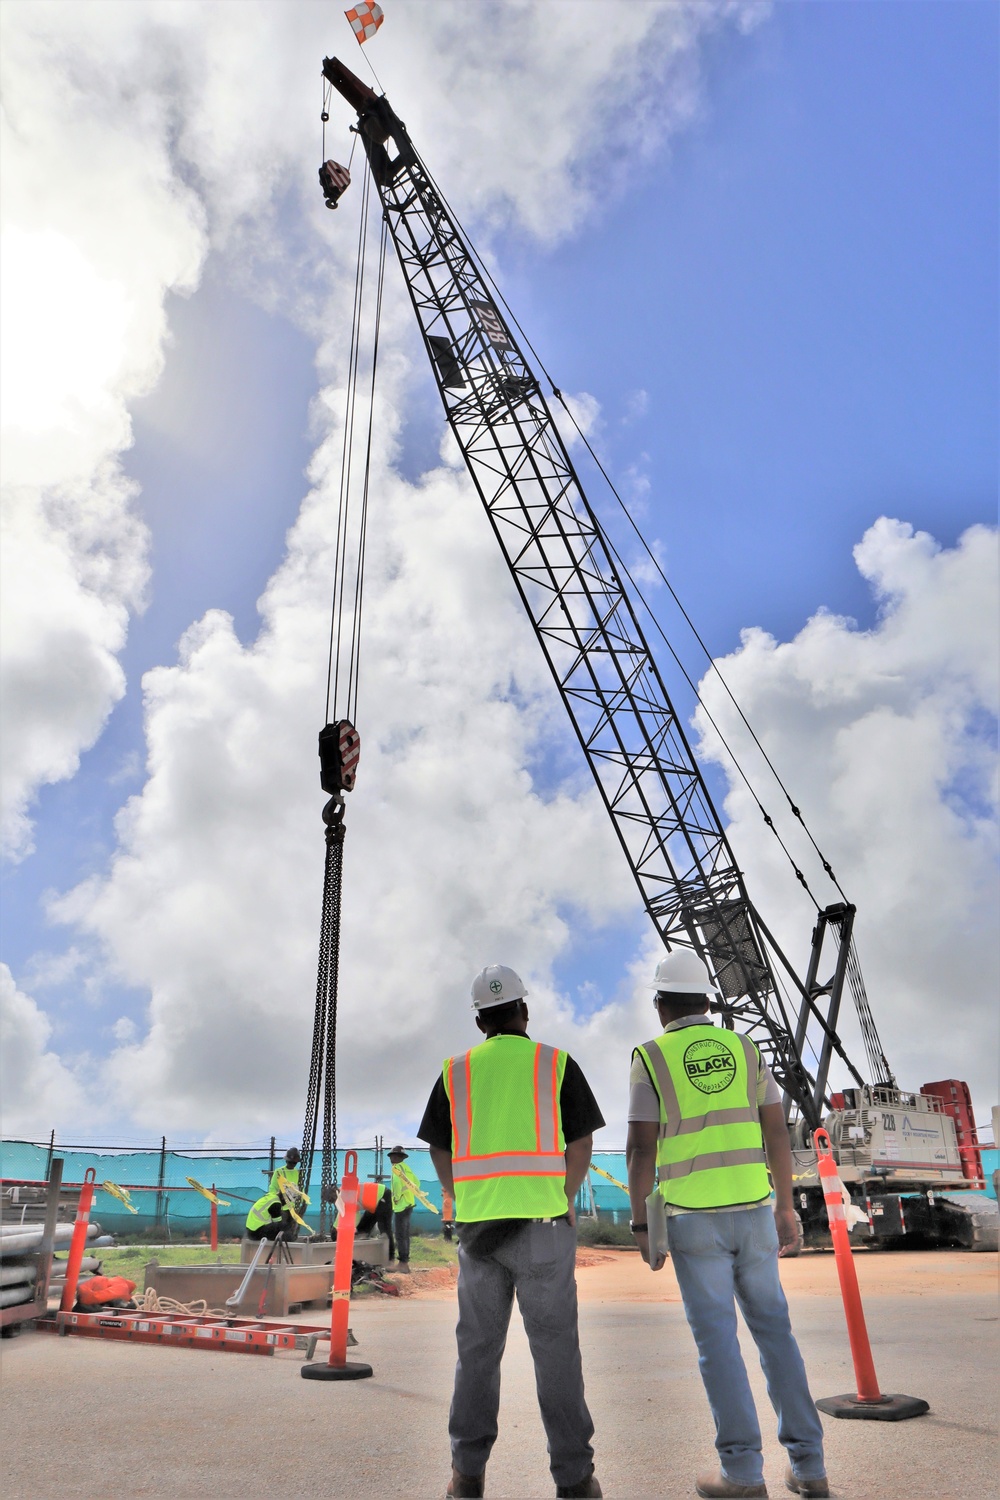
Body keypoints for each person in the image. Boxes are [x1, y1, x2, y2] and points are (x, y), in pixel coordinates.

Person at [626, 951, 828, 1500]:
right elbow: (778, 1135)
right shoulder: (747, 1049)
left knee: (719, 1345)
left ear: (661, 1002)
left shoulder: (651, 1056)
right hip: (755, 1212)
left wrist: (643, 1228)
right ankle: (809, 1467)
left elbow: (641, 1148)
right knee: (776, 1335)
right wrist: (785, 1207)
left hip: (692, 1223)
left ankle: (741, 1473)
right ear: (708, 1002)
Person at [418, 963, 604, 1500]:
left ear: (480, 1020)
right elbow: (581, 1141)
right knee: (557, 1355)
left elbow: (438, 1145)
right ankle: (574, 1480)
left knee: (476, 1354)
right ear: (525, 1010)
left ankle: (466, 1476)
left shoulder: (455, 1071)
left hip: (479, 1237)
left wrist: (457, 1196)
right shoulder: (555, 1063)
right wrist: (567, 1198)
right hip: (545, 1228)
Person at [245, 1147, 302, 1241]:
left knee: (288, 1230)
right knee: (281, 1229)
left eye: (294, 1162)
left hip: (291, 1207)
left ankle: (288, 1246)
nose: (292, 1164)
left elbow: (299, 1190)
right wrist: (277, 1203)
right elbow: (273, 1188)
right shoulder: (279, 1172)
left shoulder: (297, 1173)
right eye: (290, 1162)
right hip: (281, 1208)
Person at [387, 1146, 419, 1269]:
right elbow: (417, 1183)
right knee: (405, 1234)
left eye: (394, 1156)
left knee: (400, 1235)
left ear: (400, 1158)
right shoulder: (406, 1168)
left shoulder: (396, 1169)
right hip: (409, 1204)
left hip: (401, 1206)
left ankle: (402, 1263)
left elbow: (396, 1185)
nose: (392, 1158)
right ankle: (405, 1262)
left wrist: (397, 1197)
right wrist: (408, 1191)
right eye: (391, 1156)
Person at [356, 1178, 395, 1258]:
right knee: (362, 1229)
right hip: (373, 1202)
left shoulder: (346, 1197)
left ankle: (390, 1258)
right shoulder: (345, 1191)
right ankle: (364, 1255)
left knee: (385, 1229)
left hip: (384, 1196)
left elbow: (353, 1215)